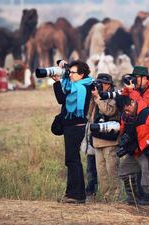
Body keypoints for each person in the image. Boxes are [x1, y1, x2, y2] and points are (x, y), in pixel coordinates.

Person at [116, 95, 149, 212]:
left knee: (147, 184)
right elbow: (122, 130)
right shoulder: (126, 117)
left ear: (132, 102)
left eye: (127, 109)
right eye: (123, 111)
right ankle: (133, 200)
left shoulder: (147, 113)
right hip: (135, 152)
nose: (126, 112)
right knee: (123, 172)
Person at [52, 60, 93, 204]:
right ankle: (76, 194)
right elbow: (62, 98)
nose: (70, 75)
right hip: (71, 126)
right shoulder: (77, 85)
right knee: (72, 160)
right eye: (70, 72)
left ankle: (75, 195)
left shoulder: (82, 87)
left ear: (82, 75)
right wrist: (62, 71)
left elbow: (61, 99)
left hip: (76, 127)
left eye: (73, 73)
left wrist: (58, 82)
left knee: (72, 160)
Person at [88, 73, 121, 202]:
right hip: (97, 140)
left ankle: (116, 197)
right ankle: (107, 197)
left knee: (111, 170)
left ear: (108, 85)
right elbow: (89, 114)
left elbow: (110, 111)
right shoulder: (96, 97)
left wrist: (98, 98)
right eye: (98, 83)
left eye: (102, 83)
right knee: (101, 172)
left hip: (110, 140)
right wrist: (92, 98)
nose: (100, 86)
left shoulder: (114, 97)